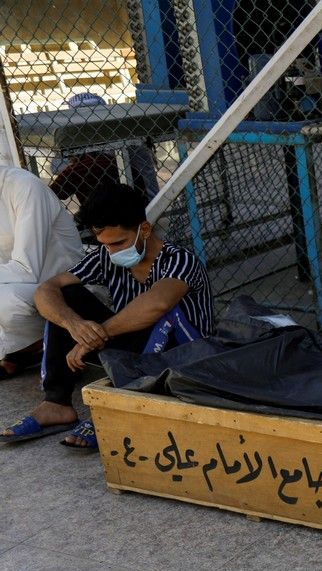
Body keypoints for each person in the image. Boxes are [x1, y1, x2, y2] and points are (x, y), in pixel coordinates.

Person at [0, 183, 214, 449]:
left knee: (164, 314)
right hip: (136, 351)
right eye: (104, 244)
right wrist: (74, 325)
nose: (112, 251)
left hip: (186, 358)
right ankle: (56, 403)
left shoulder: (180, 260)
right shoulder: (106, 256)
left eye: (119, 243)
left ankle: (117, 406)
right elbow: (46, 290)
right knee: (67, 297)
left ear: (145, 230)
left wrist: (95, 337)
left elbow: (157, 304)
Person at [0, 165, 84, 379]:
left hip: (65, 290)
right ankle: (22, 348)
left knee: (4, 300)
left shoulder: (24, 187)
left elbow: (25, 270)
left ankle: (36, 346)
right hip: (22, 287)